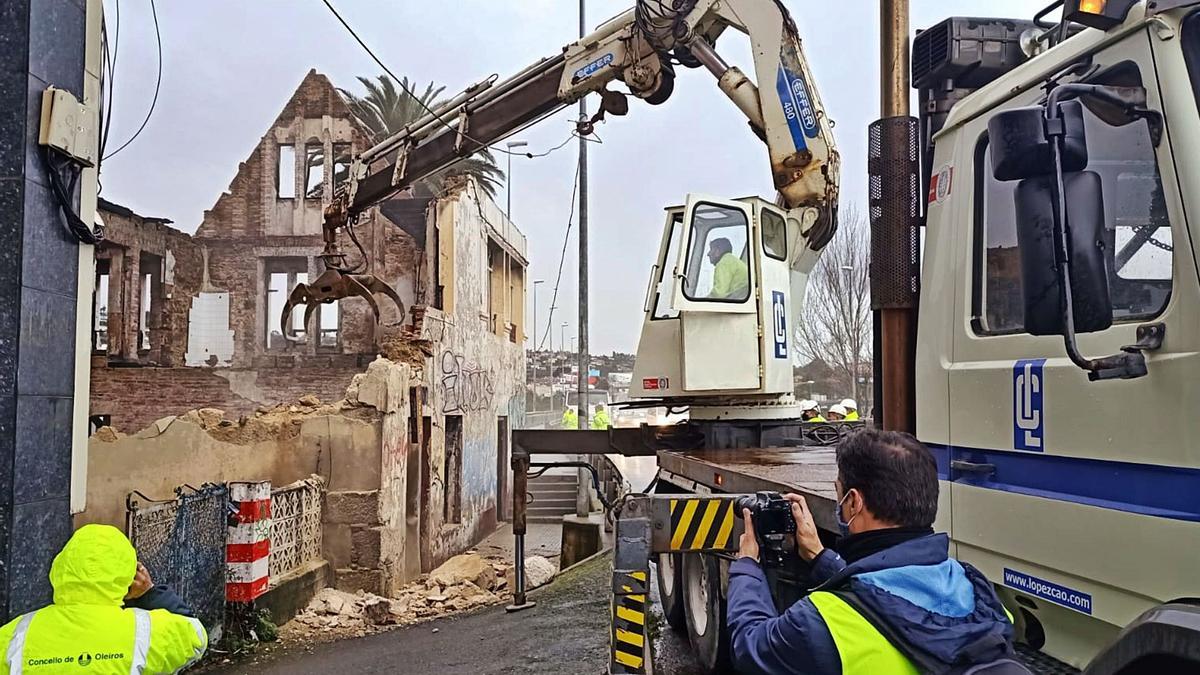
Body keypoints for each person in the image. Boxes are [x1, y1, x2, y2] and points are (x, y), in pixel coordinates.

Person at [728, 429, 1020, 674]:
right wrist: (820, 557)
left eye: (839, 494)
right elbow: (892, 600)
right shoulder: (981, 594)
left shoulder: (822, 624)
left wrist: (747, 567)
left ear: (854, 503)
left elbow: (750, 646)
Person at [0, 524, 208, 673]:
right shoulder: (148, 631)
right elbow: (196, 634)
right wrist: (149, 593)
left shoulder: (15, 634)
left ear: (60, 569)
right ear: (129, 576)